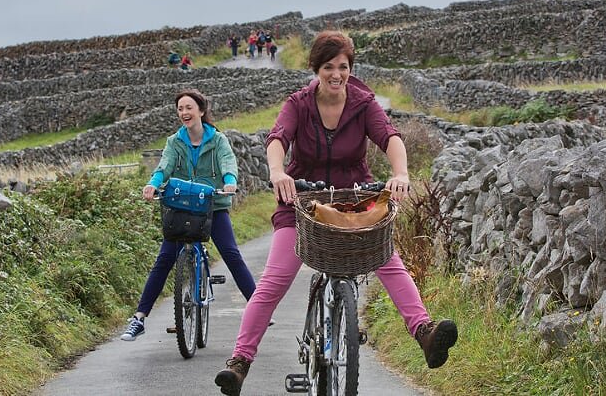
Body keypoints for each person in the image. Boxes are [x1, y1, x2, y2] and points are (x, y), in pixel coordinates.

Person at [214, 31, 458, 395]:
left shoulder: (363, 103)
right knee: (274, 280)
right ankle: (240, 362)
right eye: (328, 66)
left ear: (350, 69)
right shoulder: (298, 104)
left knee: (389, 260)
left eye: (343, 67)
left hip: (353, 198)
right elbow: (278, 139)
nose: (336, 74)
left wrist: (401, 173)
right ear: (316, 68)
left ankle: (424, 333)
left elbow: (389, 137)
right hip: (303, 200)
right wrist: (279, 173)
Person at [120, 89, 257, 342]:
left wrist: (229, 181)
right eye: (180, 109)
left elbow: (228, 162)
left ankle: (259, 310)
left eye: (188, 108)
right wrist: (152, 184)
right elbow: (165, 166)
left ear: (201, 111)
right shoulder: (175, 141)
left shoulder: (218, 140)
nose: (184, 113)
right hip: (182, 207)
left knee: (231, 254)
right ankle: (138, 319)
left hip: (212, 206)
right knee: (164, 260)